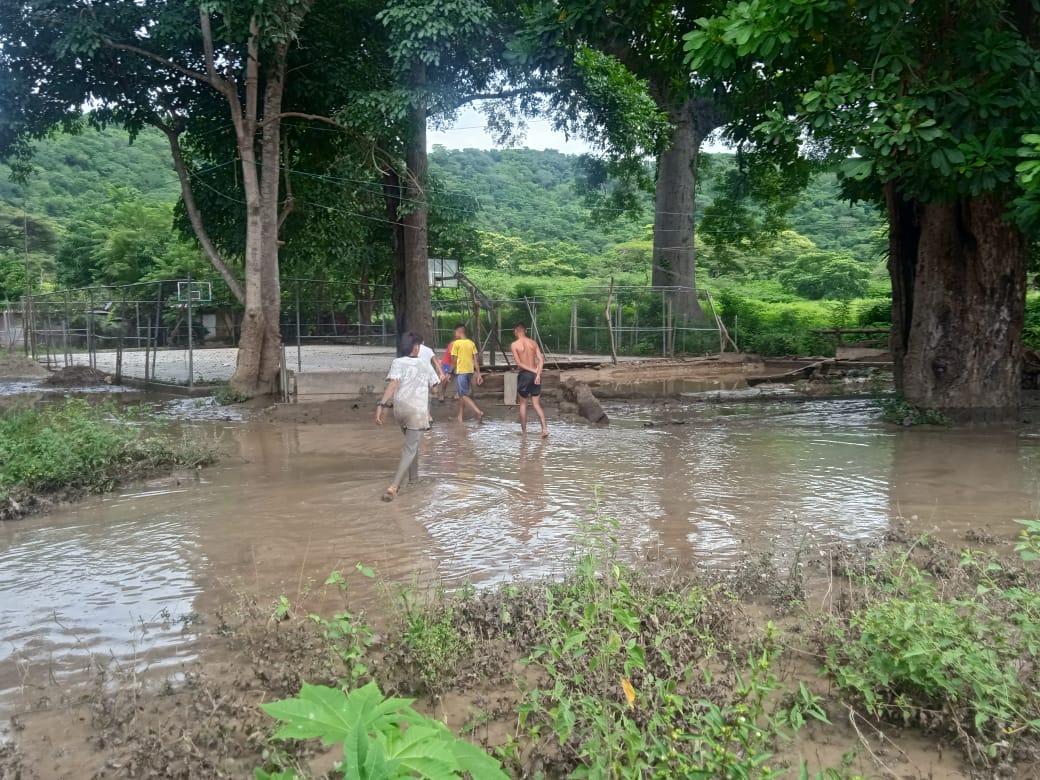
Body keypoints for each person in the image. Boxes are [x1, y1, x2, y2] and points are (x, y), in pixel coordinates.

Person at [375, 332, 441, 501]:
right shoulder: (424, 365)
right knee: (410, 448)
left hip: (400, 411)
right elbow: (435, 388)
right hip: (416, 411)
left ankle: (414, 480)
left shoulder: (397, 362)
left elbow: (393, 384)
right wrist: (439, 379)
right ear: (416, 347)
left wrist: (381, 405)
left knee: (413, 444)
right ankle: (393, 487)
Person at [510, 322, 548, 437]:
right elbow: (541, 360)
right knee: (536, 404)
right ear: (525, 331)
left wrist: (533, 371)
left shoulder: (514, 345)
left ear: (515, 331)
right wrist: (537, 374)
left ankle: (524, 432)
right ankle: (544, 429)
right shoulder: (533, 343)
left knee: (523, 404)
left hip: (525, 375)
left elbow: (519, 363)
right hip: (536, 374)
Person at [449, 324, 484, 422]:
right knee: (461, 394)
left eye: (455, 332)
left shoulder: (456, 344)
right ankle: (460, 417)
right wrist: (479, 374)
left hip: (461, 372)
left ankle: (478, 412)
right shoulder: (471, 343)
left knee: (463, 395)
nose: (455, 334)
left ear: (459, 332)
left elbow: (454, 360)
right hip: (470, 372)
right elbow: (475, 360)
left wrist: (449, 372)